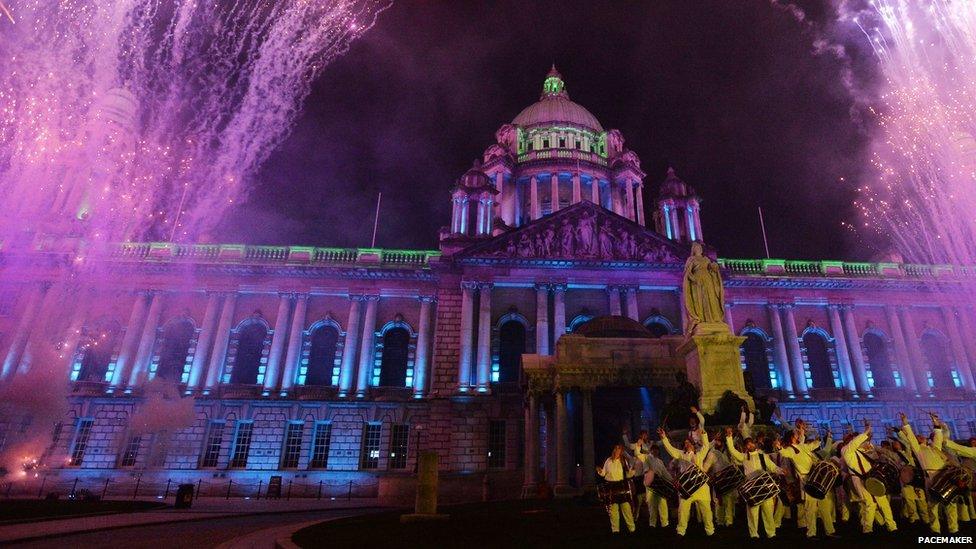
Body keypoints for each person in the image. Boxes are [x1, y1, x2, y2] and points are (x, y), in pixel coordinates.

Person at [659, 409, 714, 537]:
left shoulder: (699, 455)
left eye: (689, 442)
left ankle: (710, 531)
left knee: (707, 511)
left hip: (701, 487)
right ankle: (681, 531)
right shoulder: (681, 455)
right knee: (683, 511)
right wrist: (664, 438)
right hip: (686, 487)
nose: (687, 444)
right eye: (686, 443)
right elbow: (671, 450)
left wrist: (704, 433)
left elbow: (706, 446)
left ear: (693, 446)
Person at [901, 412, 956, 534]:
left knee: (950, 503)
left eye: (921, 435)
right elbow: (910, 436)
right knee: (933, 505)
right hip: (930, 478)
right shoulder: (918, 449)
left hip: (943, 475)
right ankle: (935, 529)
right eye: (918, 436)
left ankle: (954, 528)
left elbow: (938, 435)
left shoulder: (935, 447)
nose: (921, 436)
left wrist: (935, 421)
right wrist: (905, 423)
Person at [779, 427, 837, 538]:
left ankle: (830, 531)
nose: (798, 434)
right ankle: (811, 533)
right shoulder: (791, 450)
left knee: (824, 506)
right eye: (795, 433)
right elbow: (784, 453)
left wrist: (824, 437)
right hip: (807, 481)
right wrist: (779, 448)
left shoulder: (802, 446)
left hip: (815, 478)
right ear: (792, 437)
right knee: (810, 508)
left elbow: (814, 445)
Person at [841, 419, 897, 534]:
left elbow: (866, 443)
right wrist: (866, 431)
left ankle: (892, 527)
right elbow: (856, 442)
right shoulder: (846, 450)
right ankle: (868, 529)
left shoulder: (858, 449)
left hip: (871, 477)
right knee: (870, 503)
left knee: (883, 502)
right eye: (852, 438)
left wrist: (868, 431)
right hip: (859, 480)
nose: (854, 439)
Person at [725, 427, 782, 538]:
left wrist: (780, 471)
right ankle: (754, 534)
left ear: (754, 444)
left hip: (764, 487)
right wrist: (729, 437)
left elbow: (772, 466)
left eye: (751, 443)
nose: (750, 445)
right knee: (752, 513)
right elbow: (732, 450)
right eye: (747, 444)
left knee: (768, 512)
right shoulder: (744, 457)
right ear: (745, 447)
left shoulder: (762, 456)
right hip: (752, 488)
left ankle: (771, 533)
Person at [596, 444, 637, 534]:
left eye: (620, 449)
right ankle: (615, 530)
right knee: (613, 510)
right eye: (617, 449)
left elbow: (628, 474)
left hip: (621, 486)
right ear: (614, 450)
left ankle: (632, 529)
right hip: (611, 486)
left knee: (626, 508)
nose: (618, 451)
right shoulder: (608, 460)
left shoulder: (623, 461)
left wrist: (633, 470)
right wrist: (599, 471)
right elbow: (603, 473)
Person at [704, 432, 735, 528]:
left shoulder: (726, 452)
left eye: (719, 441)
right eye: (716, 440)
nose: (718, 442)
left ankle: (729, 521)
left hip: (727, 479)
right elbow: (705, 468)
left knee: (728, 501)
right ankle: (720, 521)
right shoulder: (712, 453)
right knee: (718, 501)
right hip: (718, 480)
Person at [643, 444, 672, 528]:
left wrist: (672, 480)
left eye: (657, 450)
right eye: (653, 450)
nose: (655, 451)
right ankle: (652, 524)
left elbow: (665, 473)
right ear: (651, 450)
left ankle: (665, 523)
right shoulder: (647, 459)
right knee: (652, 506)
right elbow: (646, 471)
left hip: (659, 484)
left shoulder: (660, 461)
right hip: (651, 485)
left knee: (662, 504)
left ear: (658, 451)